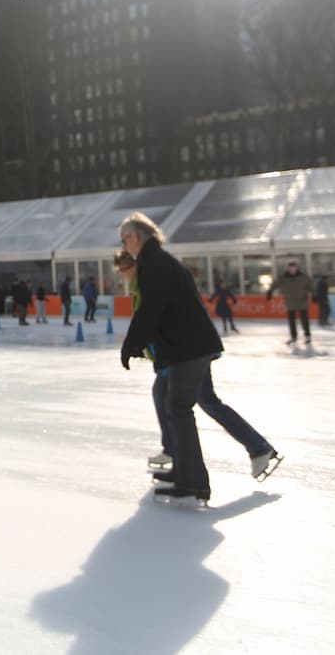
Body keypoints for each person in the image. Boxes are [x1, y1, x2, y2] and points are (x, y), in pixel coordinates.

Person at [118, 250, 279, 482]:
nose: (122, 275)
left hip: (187, 351)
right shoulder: (143, 284)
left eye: (124, 269)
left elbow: (155, 318)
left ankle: (252, 448)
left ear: (133, 267)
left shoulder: (149, 281)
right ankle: (257, 447)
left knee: (179, 398)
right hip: (187, 350)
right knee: (200, 399)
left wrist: (148, 351)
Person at [119, 212, 223, 503]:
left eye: (125, 239)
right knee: (173, 407)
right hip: (186, 347)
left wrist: (131, 344)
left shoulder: (154, 264)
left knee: (178, 409)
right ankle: (184, 472)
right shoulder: (156, 260)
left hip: (189, 348)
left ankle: (193, 481)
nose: (123, 245)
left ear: (137, 236)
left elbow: (151, 309)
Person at [267, 260, 314, 345]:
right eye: (290, 268)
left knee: (304, 320)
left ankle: (307, 336)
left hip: (302, 301)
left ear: (297, 268)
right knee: (291, 321)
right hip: (290, 302)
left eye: (294, 268)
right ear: (288, 269)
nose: (292, 270)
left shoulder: (303, 277)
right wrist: (270, 292)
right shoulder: (283, 278)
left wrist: (315, 295)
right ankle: (293, 337)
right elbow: (275, 284)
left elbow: (310, 286)